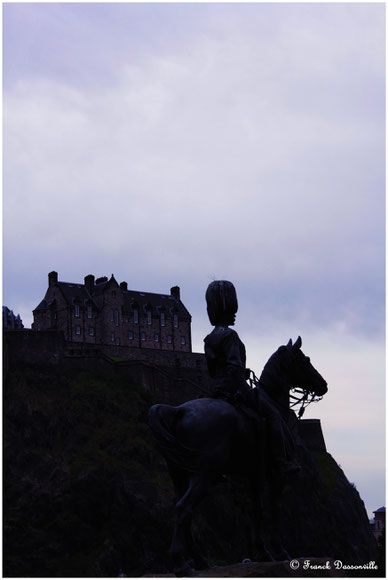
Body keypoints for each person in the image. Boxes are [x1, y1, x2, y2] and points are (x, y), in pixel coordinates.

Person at [203, 280, 299, 480]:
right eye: (233, 309)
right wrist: (241, 384)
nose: (235, 314)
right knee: (273, 414)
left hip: (216, 390)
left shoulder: (209, 338)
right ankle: (281, 463)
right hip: (235, 389)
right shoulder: (230, 335)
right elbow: (235, 368)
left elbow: (212, 371)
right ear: (226, 307)